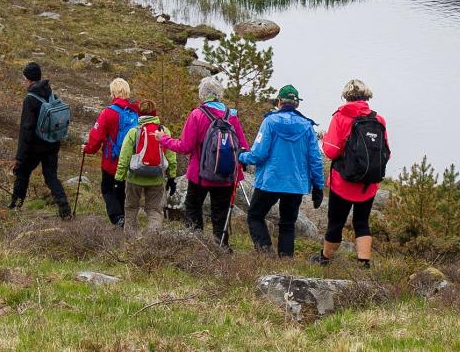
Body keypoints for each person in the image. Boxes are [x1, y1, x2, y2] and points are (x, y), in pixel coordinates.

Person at [159, 76, 250, 246]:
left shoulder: (197, 115)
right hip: (226, 176)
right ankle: (221, 246)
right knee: (220, 213)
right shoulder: (232, 116)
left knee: (193, 208)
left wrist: (163, 139)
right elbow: (243, 147)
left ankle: (196, 245)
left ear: (202, 94)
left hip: (200, 175)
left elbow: (185, 147)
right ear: (218, 94)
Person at [239, 85, 326, 257]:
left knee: (255, 216)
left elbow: (258, 154)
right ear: (297, 105)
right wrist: (318, 186)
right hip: (295, 184)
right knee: (287, 224)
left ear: (279, 102)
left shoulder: (270, 122)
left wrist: (241, 156)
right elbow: (315, 159)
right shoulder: (307, 127)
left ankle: (266, 254)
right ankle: (286, 261)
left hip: (270, 181)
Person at [315, 79, 387, 268]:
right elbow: (386, 152)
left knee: (336, 222)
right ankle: (364, 263)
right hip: (368, 184)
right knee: (362, 222)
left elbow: (331, 151)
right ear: (366, 96)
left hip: (343, 182)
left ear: (346, 96)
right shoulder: (378, 120)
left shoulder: (340, 116)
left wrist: (323, 140)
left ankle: (325, 259)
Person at [11, 62, 70, 218]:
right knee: (51, 177)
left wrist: (20, 157)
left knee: (22, 172)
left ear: (28, 79)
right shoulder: (50, 93)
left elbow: (26, 129)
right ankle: (64, 209)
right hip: (53, 143)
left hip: (36, 146)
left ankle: (15, 206)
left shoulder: (30, 98)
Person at [83, 78, 138, 225]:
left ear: (113, 93)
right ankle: (126, 219)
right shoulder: (136, 112)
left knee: (108, 189)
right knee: (122, 190)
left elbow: (96, 137)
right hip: (132, 161)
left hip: (111, 161)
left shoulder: (108, 113)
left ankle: (117, 218)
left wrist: (88, 149)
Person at [113, 104, 169, 235]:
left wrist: (119, 178)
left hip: (134, 178)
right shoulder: (164, 131)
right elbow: (171, 156)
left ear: (139, 114)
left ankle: (130, 241)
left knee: (131, 208)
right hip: (156, 178)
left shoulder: (134, 131)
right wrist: (171, 176)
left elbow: (124, 157)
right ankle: (152, 239)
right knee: (154, 210)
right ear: (155, 114)